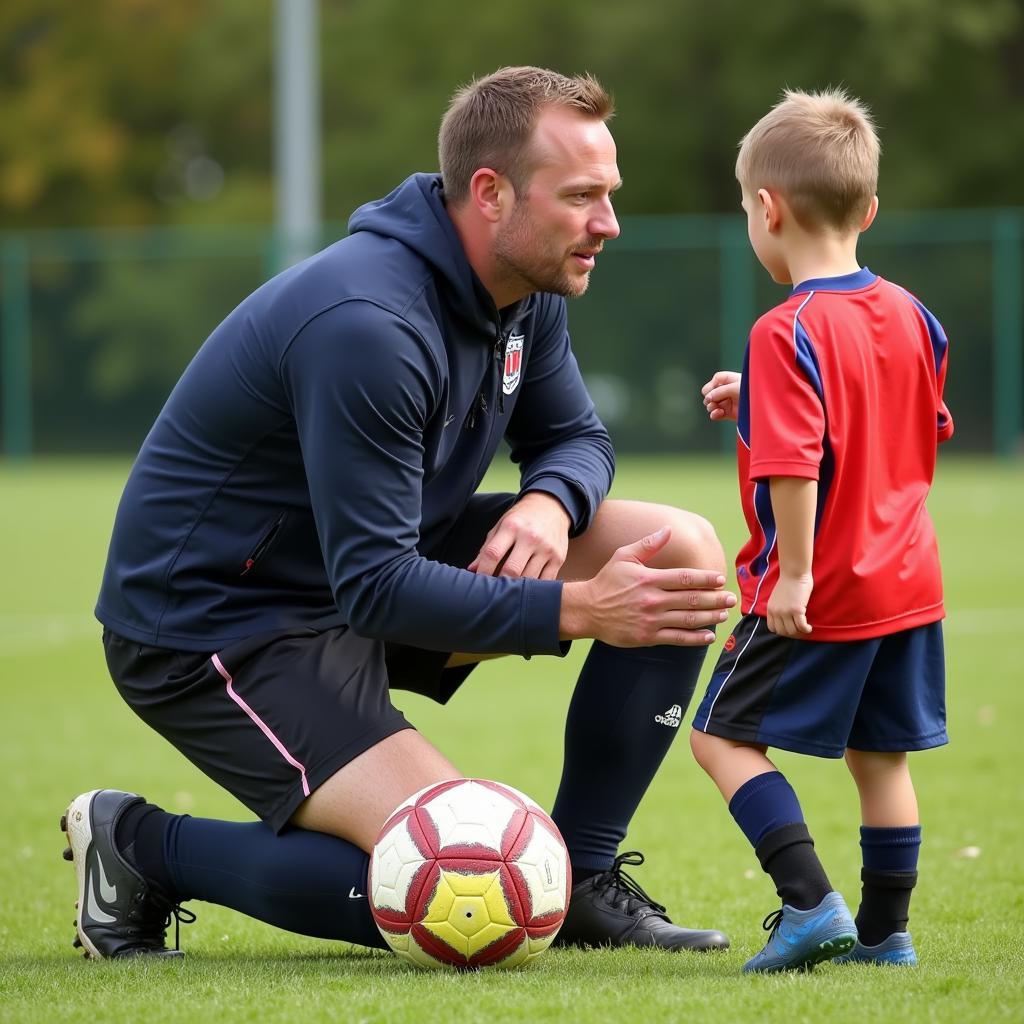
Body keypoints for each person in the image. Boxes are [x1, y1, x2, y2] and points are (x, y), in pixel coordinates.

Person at [62, 66, 737, 961]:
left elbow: (578, 437)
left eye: (609, 195)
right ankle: (141, 849)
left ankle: (581, 877)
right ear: (490, 194)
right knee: (468, 889)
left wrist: (549, 499)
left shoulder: (524, 289)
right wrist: (579, 609)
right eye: (581, 197)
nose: (607, 224)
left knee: (676, 549)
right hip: (218, 625)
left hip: (369, 570)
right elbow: (378, 587)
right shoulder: (368, 324)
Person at [689, 88, 954, 973]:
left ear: (768, 209)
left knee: (719, 735)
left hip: (819, 584)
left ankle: (808, 904)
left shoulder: (785, 327)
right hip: (909, 582)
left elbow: (796, 464)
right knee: (880, 760)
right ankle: (887, 936)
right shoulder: (915, 314)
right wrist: (759, 397)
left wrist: (795, 575)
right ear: (868, 209)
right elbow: (903, 422)